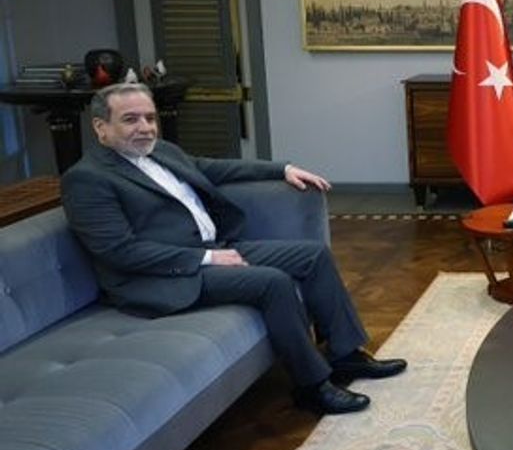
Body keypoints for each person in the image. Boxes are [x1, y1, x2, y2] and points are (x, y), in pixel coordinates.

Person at [60, 82, 406, 416]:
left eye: (150, 118)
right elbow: (119, 251)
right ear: (101, 127)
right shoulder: (87, 178)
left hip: (212, 249)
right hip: (163, 276)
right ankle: (312, 387)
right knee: (272, 282)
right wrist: (207, 258)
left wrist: (282, 169)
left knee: (313, 255)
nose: (145, 127)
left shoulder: (161, 151)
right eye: (130, 119)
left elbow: (214, 168)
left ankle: (345, 355)